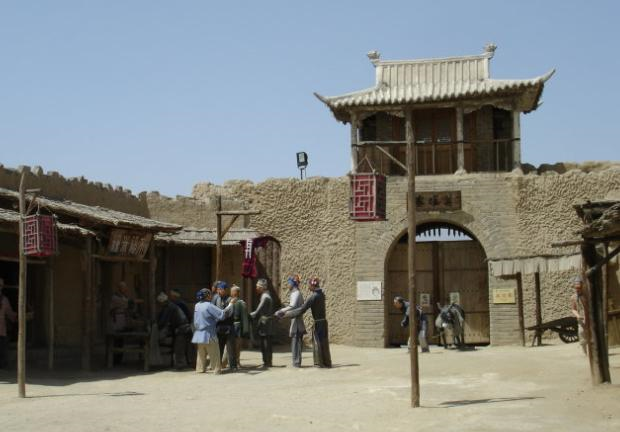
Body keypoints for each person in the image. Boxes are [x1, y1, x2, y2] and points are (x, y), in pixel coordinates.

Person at [278, 277, 331, 368]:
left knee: (317, 343)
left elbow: (301, 310)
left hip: (318, 323)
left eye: (309, 285)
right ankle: (327, 362)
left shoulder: (313, 297)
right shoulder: (321, 294)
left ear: (313, 285)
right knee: (324, 342)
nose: (308, 287)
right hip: (324, 322)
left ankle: (319, 363)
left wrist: (286, 315)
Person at [192, 288, 236, 374]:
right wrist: (230, 304)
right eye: (210, 294)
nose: (211, 296)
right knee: (215, 352)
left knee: (201, 353)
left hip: (198, 333)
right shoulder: (209, 305)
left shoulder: (197, 305)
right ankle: (216, 370)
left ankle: (200, 369)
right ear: (207, 296)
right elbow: (222, 315)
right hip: (209, 333)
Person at [276, 275, 306, 367]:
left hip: (297, 323)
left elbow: (292, 306)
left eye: (289, 283)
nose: (288, 285)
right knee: (295, 343)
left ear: (293, 284)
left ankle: (296, 362)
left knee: (296, 343)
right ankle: (296, 361)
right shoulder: (295, 293)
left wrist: (281, 311)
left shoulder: (296, 293)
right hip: (296, 321)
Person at [156, 292, 192, 369]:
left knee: (179, 348)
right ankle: (189, 363)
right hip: (185, 327)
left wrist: (157, 326)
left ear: (163, 302)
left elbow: (163, 321)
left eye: (160, 303)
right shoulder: (172, 306)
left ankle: (181, 365)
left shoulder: (169, 307)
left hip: (182, 328)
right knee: (186, 348)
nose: (160, 305)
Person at [222, 284, 249, 370]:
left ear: (235, 292)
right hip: (231, 326)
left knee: (235, 346)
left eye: (232, 291)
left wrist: (245, 330)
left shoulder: (240, 303)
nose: (230, 292)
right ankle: (226, 362)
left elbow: (244, 317)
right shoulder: (229, 301)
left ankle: (234, 362)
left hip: (236, 327)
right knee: (230, 346)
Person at [250, 279, 274, 368]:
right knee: (267, 343)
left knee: (265, 344)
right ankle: (268, 361)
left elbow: (257, 311)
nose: (256, 288)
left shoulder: (265, 297)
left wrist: (249, 315)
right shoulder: (267, 295)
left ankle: (267, 362)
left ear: (262, 287)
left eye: (258, 287)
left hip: (265, 323)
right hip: (267, 322)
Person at [211, 281, 233, 364]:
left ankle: (233, 366)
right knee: (219, 346)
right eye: (218, 289)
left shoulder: (230, 299)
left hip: (228, 325)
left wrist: (221, 315)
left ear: (225, 290)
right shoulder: (216, 298)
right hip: (218, 326)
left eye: (220, 289)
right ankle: (218, 364)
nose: (218, 291)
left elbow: (229, 313)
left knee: (230, 347)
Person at [0, 278, 16, 369]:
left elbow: (10, 313)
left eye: (1, 285)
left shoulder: (4, 300)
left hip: (1, 330)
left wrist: (18, 316)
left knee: (2, 350)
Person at [570, 275, 588, 355]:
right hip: (581, 318)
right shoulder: (573, 297)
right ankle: (585, 352)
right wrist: (578, 315)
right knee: (581, 333)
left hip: (589, 318)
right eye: (576, 288)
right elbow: (573, 309)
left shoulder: (587, 295)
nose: (577, 289)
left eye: (579, 288)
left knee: (592, 333)